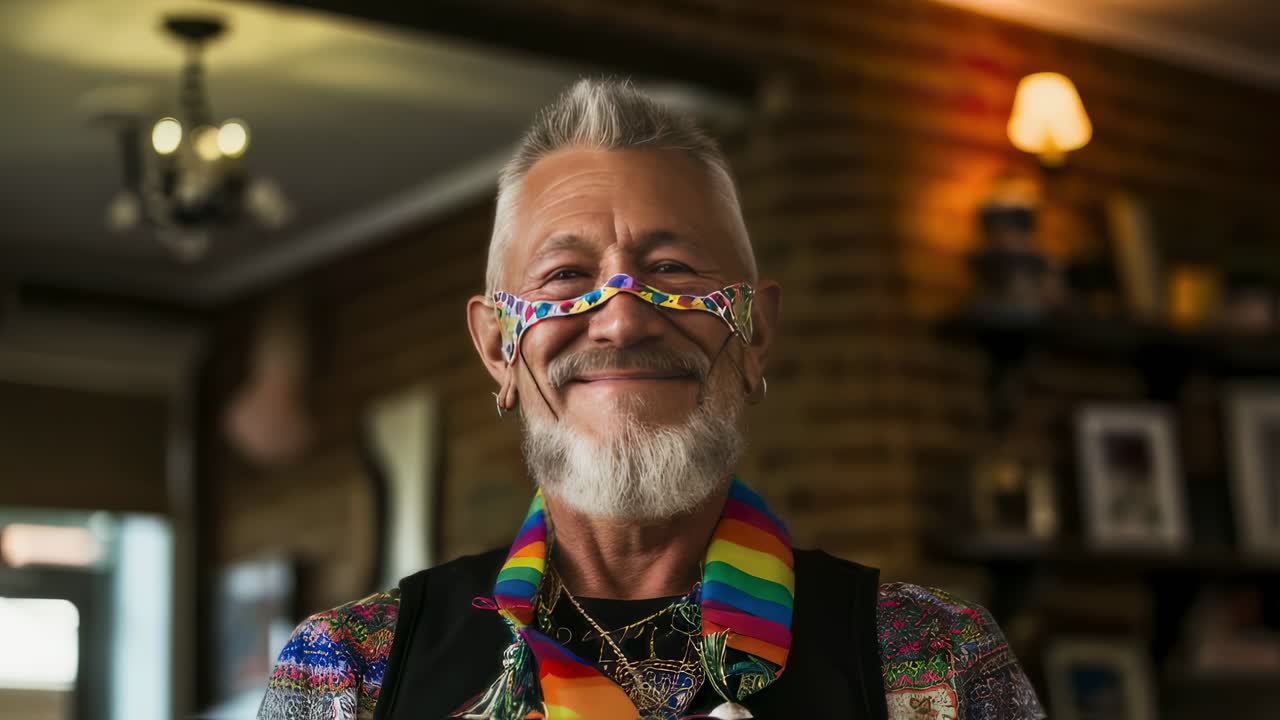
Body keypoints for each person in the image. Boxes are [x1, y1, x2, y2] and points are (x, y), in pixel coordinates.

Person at [257, 79, 1045, 720]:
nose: (625, 317)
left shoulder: (942, 658)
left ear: (757, 330)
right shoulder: (349, 671)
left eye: (672, 268)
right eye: (565, 276)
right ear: (499, 347)